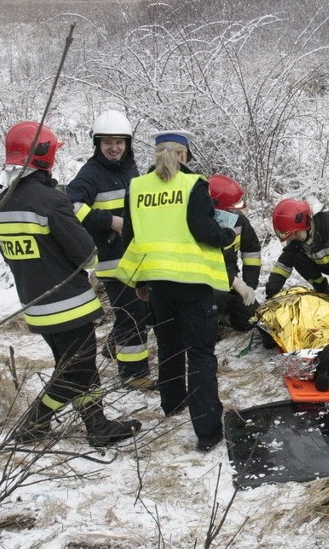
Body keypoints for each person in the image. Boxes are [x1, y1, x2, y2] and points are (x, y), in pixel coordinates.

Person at [0, 121, 142, 447]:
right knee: (75, 372)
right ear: (45, 157)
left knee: (77, 367)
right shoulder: (51, 201)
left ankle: (97, 424)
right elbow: (87, 255)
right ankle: (35, 423)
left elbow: (16, 257)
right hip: (70, 305)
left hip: (35, 304)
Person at [115, 129, 235, 452]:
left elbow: (130, 236)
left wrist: (140, 281)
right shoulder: (192, 185)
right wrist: (227, 235)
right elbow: (203, 229)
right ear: (184, 156)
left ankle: (172, 405)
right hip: (192, 284)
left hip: (158, 285)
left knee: (169, 346)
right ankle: (208, 432)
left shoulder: (137, 187)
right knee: (200, 354)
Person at [67, 110, 153, 390]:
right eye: (107, 142)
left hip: (137, 257)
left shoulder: (130, 169)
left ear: (127, 144)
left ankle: (115, 346)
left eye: (119, 142)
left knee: (141, 310)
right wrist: (109, 221)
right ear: (98, 144)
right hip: (113, 260)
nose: (114, 148)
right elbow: (72, 206)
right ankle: (134, 374)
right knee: (133, 315)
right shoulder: (91, 173)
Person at [207, 174, 262, 332]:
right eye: (229, 209)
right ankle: (207, 321)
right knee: (218, 296)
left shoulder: (239, 221)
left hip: (231, 279)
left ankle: (220, 317)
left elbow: (252, 251)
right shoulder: (199, 225)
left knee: (250, 317)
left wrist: (248, 286)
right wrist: (234, 282)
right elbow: (208, 264)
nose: (234, 213)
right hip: (205, 283)